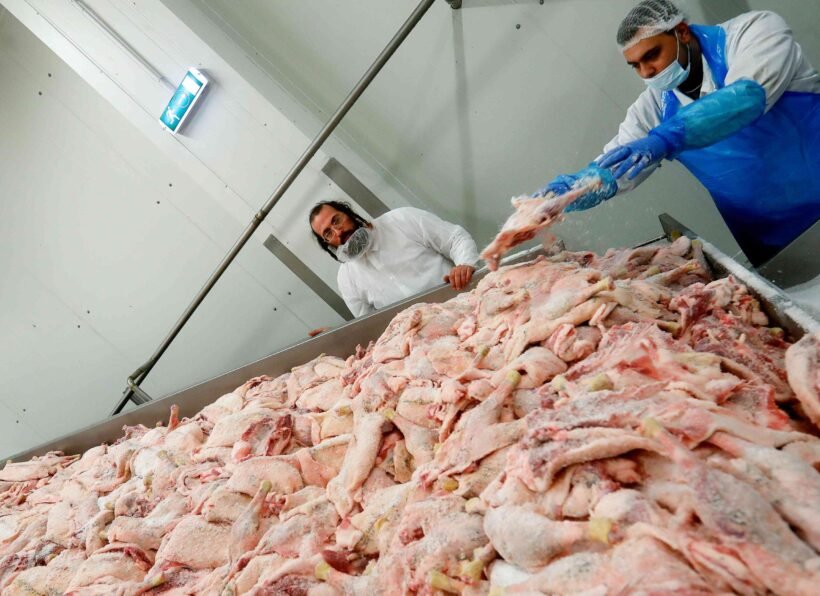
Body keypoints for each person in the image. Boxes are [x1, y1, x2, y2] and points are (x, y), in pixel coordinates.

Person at [534, 0, 820, 266]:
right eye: (635, 66)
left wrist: (664, 138)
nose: (646, 72)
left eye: (652, 55)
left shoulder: (753, 32)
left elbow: (746, 98)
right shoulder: (653, 105)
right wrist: (558, 198)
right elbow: (614, 169)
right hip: (770, 240)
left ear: (682, 32)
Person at [309, 201, 479, 318]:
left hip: (464, 303)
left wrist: (465, 263)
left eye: (336, 220)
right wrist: (339, 337)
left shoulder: (401, 219)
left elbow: (456, 239)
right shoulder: (346, 278)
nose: (338, 232)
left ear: (348, 213)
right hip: (419, 342)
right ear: (328, 244)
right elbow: (368, 327)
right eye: (328, 233)